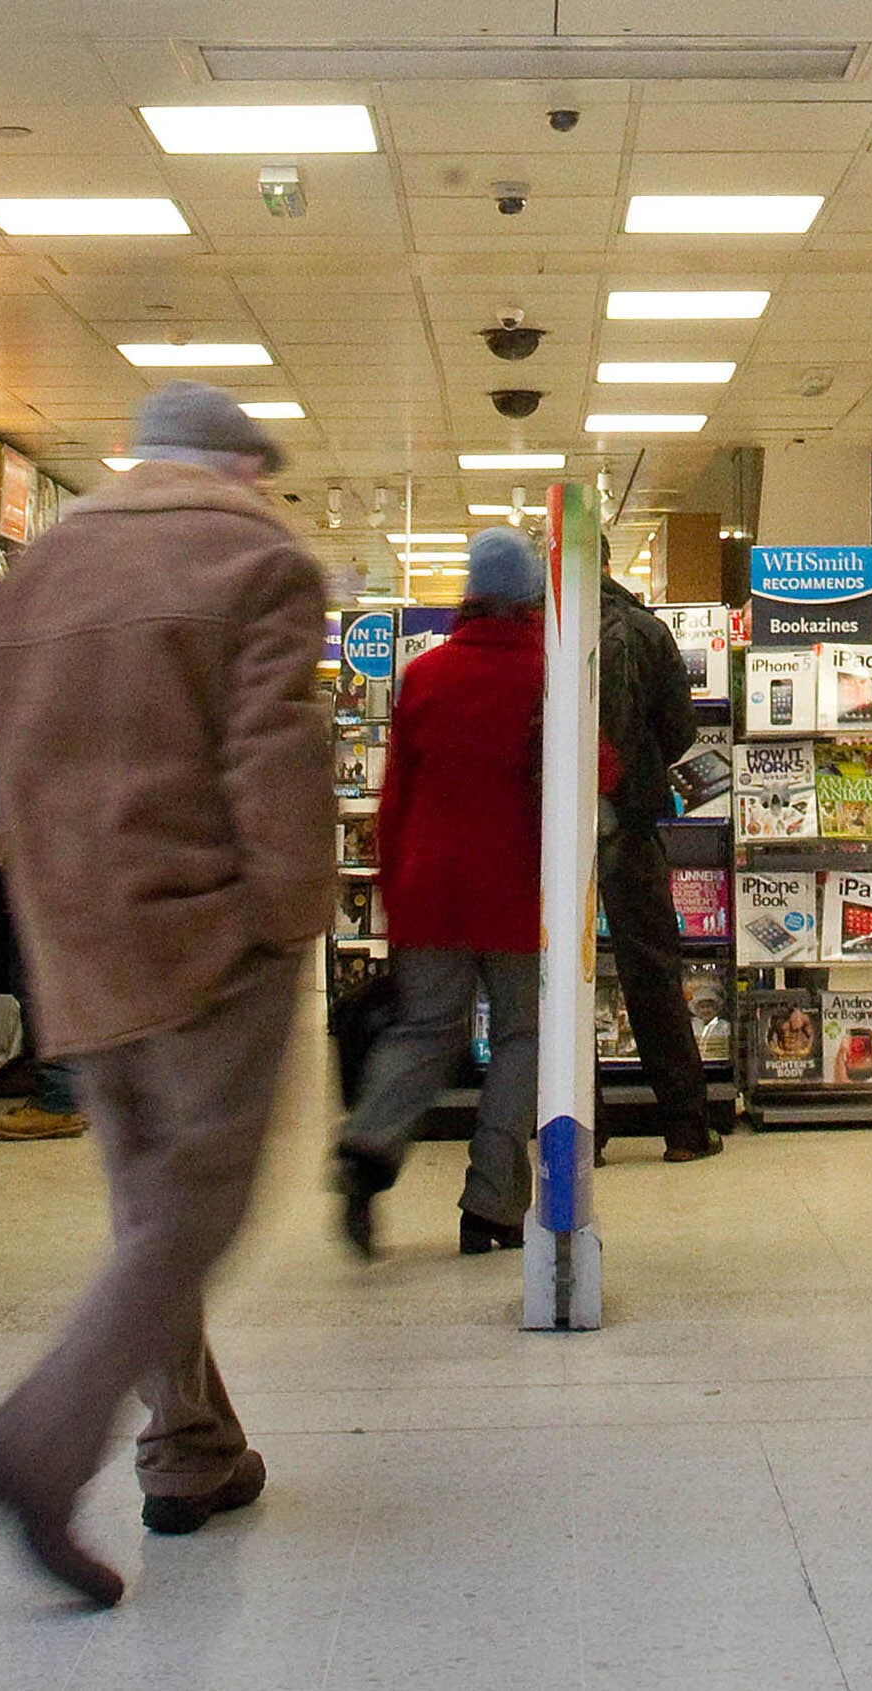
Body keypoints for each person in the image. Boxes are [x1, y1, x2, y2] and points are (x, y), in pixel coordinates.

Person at [0, 381, 330, 1607]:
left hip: (76, 937)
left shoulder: (40, 565)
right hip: (208, 933)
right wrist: (290, 911)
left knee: (147, 1201)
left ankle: (190, 1446)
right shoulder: (261, 563)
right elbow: (271, 755)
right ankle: (36, 1446)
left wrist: (47, 861)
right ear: (238, 468)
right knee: (193, 1210)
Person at [334, 528, 549, 1259]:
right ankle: (491, 1206)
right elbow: (597, 771)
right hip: (516, 888)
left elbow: (395, 801)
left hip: (428, 885)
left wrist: (396, 889)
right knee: (522, 1037)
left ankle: (367, 1149)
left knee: (425, 1028)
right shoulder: (548, 676)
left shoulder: (424, 675)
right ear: (529, 601)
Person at [595, 562, 723, 1161]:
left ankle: (578, 1132)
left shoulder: (540, 628)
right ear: (608, 564)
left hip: (557, 829)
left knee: (561, 978)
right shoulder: (646, 631)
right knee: (651, 973)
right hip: (630, 820)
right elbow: (679, 730)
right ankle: (685, 1129)